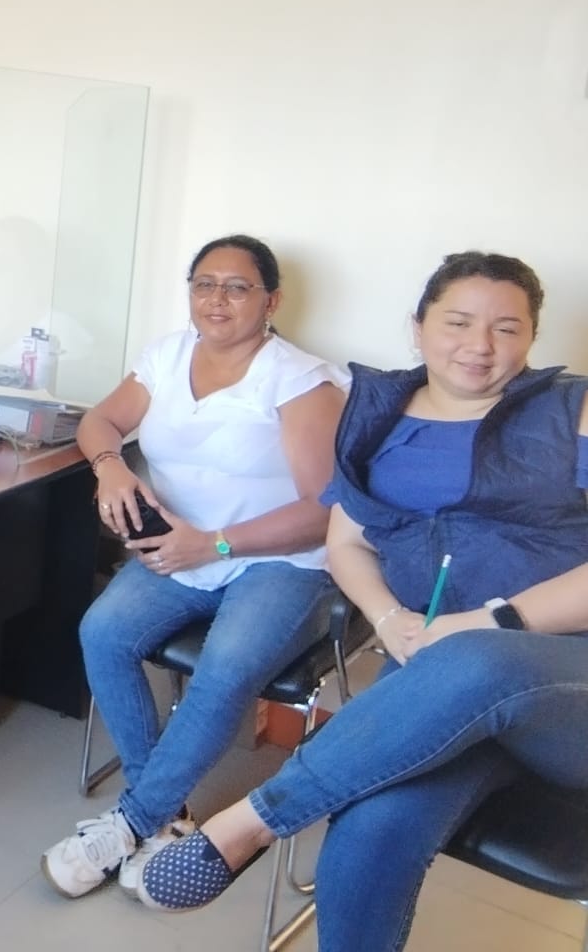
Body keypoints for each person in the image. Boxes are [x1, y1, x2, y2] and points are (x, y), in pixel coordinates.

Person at [137, 252, 588, 952]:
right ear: (418, 327)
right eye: (458, 322)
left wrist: (486, 622)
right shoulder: (377, 415)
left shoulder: (572, 410)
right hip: (434, 687)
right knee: (367, 832)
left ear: (530, 337)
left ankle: (255, 819)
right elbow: (346, 543)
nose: (479, 345)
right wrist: (389, 619)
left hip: (561, 690)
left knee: (482, 659)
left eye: (506, 328)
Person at [42, 234, 347, 899]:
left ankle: (130, 821)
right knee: (103, 633)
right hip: (179, 548)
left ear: (271, 301)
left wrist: (214, 545)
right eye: (204, 284)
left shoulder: (298, 380)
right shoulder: (167, 355)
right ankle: (164, 814)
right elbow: (99, 421)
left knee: (225, 668)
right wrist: (110, 466)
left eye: (237, 287)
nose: (217, 300)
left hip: (277, 560)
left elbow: (325, 511)